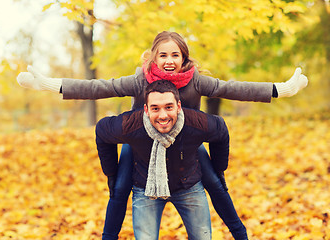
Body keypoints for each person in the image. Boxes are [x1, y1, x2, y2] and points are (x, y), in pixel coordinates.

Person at [17, 31, 308, 239]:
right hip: (143, 142)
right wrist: (49, 84)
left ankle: (240, 234)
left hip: (186, 144)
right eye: (163, 54)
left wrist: (279, 89)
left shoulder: (196, 81)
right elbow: (99, 87)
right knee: (119, 190)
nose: (169, 60)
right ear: (154, 57)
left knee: (218, 185)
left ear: (184, 58)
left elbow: (232, 88)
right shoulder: (140, 80)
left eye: (175, 54)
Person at [96, 80, 231, 239]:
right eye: (155, 108)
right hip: (146, 188)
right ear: (146, 110)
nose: (163, 115)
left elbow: (221, 130)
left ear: (178, 106)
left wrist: (219, 167)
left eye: (169, 107)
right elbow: (102, 130)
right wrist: (111, 172)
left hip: (189, 186)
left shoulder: (195, 122)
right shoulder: (131, 125)